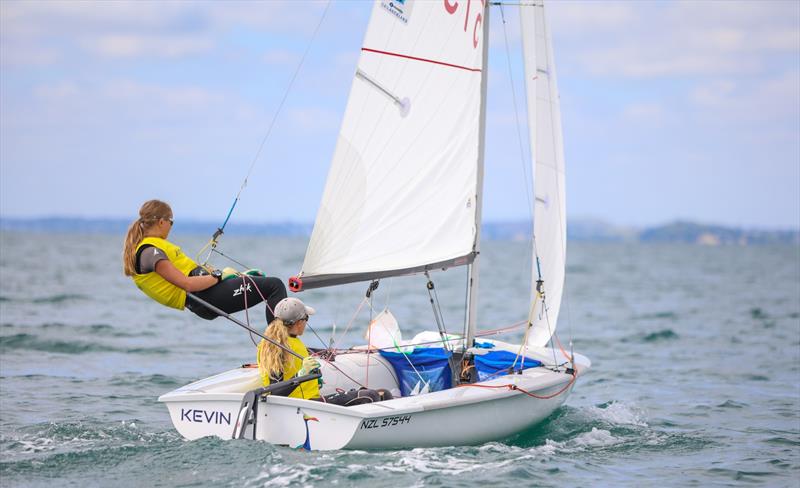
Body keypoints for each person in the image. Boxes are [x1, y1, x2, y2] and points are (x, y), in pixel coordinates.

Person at [122, 199, 287, 323]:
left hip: (207, 294)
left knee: (266, 284)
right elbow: (187, 284)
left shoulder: (150, 249)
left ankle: (280, 349)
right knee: (275, 286)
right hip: (205, 297)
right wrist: (219, 275)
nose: (171, 226)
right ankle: (279, 352)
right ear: (161, 222)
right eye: (171, 222)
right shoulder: (150, 252)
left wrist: (238, 277)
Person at [257, 297, 393, 405]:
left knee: (384, 394)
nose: (306, 323)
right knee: (371, 396)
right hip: (302, 406)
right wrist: (301, 375)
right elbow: (273, 394)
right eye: (306, 319)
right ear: (299, 322)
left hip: (311, 402)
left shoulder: (290, 339)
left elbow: (298, 355)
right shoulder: (274, 347)